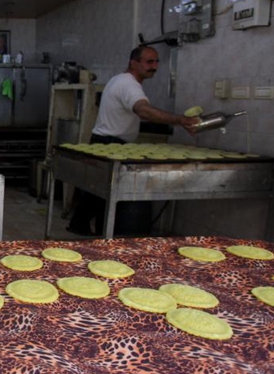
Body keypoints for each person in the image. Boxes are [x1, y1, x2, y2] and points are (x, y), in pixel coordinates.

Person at [66, 46, 199, 236]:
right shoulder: (129, 85)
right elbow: (143, 110)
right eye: (148, 62)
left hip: (104, 140)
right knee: (102, 193)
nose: (154, 66)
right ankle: (97, 231)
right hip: (110, 143)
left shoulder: (118, 80)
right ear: (133, 63)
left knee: (98, 192)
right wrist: (181, 120)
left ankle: (88, 228)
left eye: (156, 62)